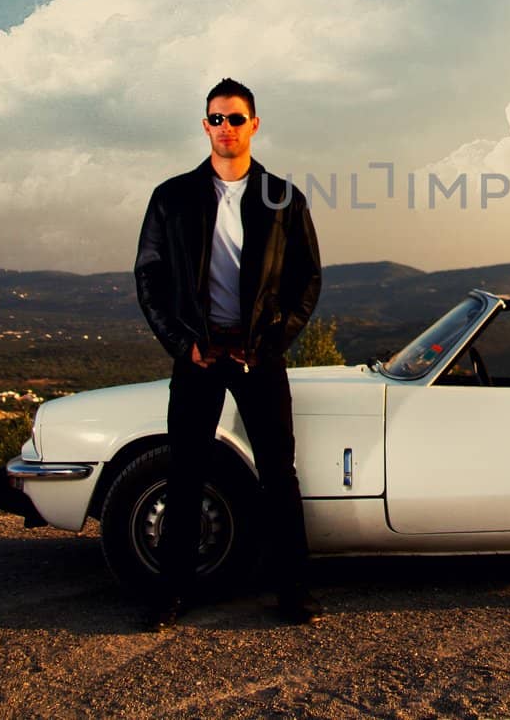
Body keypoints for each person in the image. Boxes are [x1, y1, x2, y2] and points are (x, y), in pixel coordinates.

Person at [133, 78, 323, 627]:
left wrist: (274, 341)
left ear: (254, 125)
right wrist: (179, 342)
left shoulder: (283, 197)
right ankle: (171, 593)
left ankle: (293, 592)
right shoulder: (172, 196)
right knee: (186, 472)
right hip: (197, 353)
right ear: (204, 126)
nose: (225, 128)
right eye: (216, 119)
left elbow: (306, 279)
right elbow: (149, 275)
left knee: (278, 474)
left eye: (235, 119)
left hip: (259, 354)